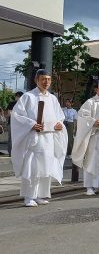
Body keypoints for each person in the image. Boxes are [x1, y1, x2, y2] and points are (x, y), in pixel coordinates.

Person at [10, 69, 67, 207]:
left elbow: (60, 116)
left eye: (48, 79)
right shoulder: (28, 97)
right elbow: (17, 116)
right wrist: (31, 125)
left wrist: (59, 124)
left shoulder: (53, 99)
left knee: (46, 168)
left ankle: (41, 195)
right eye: (43, 79)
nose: (46, 82)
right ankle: (29, 196)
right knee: (32, 168)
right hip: (34, 138)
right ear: (36, 80)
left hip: (49, 139)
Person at [7, 91, 23, 156]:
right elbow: (9, 113)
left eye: (19, 96)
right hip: (12, 123)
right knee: (11, 138)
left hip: (19, 124)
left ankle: (16, 152)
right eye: (18, 96)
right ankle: (11, 153)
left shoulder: (23, 104)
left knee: (17, 138)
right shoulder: (12, 103)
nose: (18, 98)